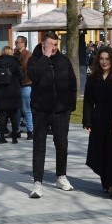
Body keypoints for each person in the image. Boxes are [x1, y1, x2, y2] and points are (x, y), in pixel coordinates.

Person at [27, 32, 77, 198]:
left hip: (61, 111)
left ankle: (61, 176)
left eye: (56, 45)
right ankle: (38, 182)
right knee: (39, 146)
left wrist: (70, 106)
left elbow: (72, 83)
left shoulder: (64, 61)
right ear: (43, 45)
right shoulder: (35, 59)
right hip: (41, 109)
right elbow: (34, 76)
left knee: (62, 145)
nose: (54, 48)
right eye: (51, 45)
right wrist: (45, 57)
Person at [83, 47, 112, 197]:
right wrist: (87, 120)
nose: (104, 62)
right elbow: (88, 102)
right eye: (101, 59)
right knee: (100, 150)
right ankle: (105, 182)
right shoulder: (93, 78)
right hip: (99, 119)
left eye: (107, 59)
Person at [0, 46, 22, 144]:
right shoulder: (15, 61)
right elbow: (20, 75)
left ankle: (2, 137)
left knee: (3, 115)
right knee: (13, 115)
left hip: (1, 92)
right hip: (13, 91)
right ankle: (14, 138)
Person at [13, 36, 34, 140]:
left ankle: (30, 130)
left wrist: (16, 67)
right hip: (17, 84)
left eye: (17, 42)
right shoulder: (15, 54)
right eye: (16, 42)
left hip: (26, 83)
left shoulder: (28, 54)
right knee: (17, 108)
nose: (16, 43)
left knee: (26, 108)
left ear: (23, 43)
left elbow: (24, 67)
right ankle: (16, 130)